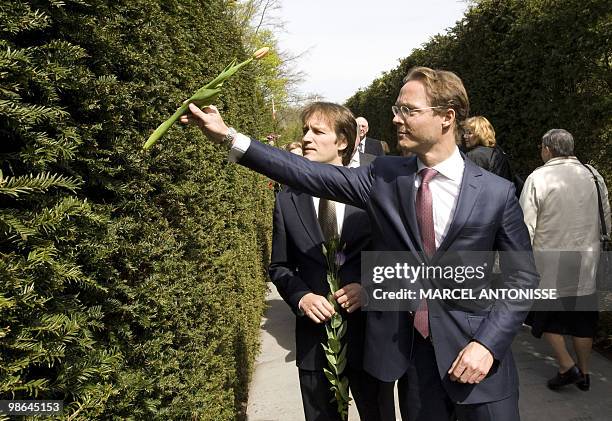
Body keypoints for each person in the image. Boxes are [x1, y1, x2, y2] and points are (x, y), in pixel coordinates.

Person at [180, 66, 539, 421]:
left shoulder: (496, 193)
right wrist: (229, 136)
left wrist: (488, 344)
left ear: (447, 117)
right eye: (396, 109)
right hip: (414, 369)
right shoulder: (383, 178)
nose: (397, 119)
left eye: (408, 110)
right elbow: (306, 173)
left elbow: (522, 277)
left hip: (481, 367)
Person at [269, 102, 392, 420]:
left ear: (342, 141)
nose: (306, 138)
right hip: (314, 345)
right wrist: (302, 297)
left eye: (317, 131)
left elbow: (396, 259)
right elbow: (279, 267)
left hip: (369, 341)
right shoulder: (287, 200)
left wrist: (368, 289)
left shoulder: (375, 193)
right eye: (305, 130)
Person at [519, 129, 611, 392]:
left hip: (550, 261)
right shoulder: (594, 176)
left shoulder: (538, 177)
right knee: (584, 319)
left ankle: (565, 366)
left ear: (548, 149)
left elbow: (526, 225)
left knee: (547, 316)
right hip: (587, 259)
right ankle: (585, 373)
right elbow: (606, 218)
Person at [462, 116, 513, 181]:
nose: (465, 136)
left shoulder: (475, 155)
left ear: (479, 134)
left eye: (469, 133)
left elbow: (470, 183)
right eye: (465, 132)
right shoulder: (498, 151)